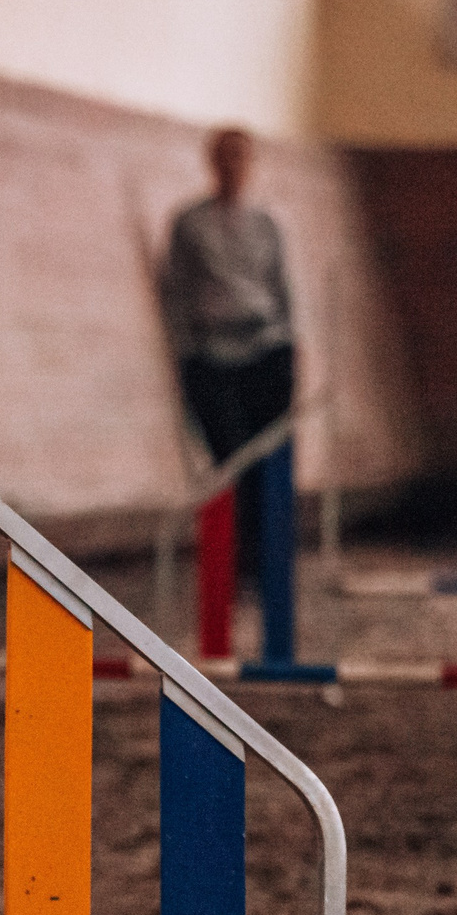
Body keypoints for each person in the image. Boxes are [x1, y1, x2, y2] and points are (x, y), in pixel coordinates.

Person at [160, 127, 296, 586]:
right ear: (212, 162)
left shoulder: (266, 224)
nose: (233, 167)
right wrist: (186, 349)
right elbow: (174, 289)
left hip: (265, 347)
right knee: (228, 455)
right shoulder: (190, 223)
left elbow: (281, 288)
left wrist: (290, 344)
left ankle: (266, 564)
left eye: (241, 157)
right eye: (225, 157)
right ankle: (227, 564)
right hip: (211, 351)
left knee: (268, 460)